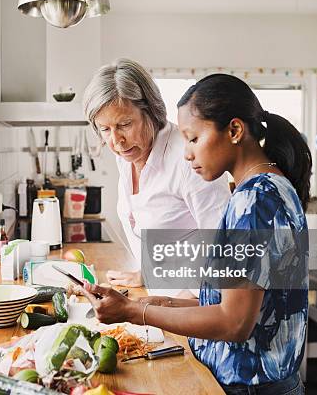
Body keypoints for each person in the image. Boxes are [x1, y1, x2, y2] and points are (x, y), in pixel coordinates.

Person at [79, 73, 311, 394]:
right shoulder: (263, 189)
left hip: (251, 386)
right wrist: (154, 302)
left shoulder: (255, 201)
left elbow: (234, 322)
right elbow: (222, 299)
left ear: (234, 130)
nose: (186, 154)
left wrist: (136, 311)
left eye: (192, 139)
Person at [83, 58, 230, 288]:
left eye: (124, 124)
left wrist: (174, 305)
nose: (116, 141)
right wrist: (147, 274)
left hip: (194, 308)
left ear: (150, 111)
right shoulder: (127, 155)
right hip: (158, 299)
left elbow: (226, 250)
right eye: (105, 129)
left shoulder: (189, 157)